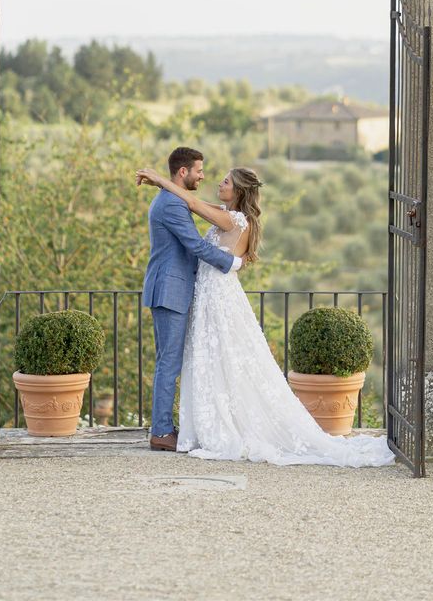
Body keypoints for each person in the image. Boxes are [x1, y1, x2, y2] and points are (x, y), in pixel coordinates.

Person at [137, 162, 396, 468]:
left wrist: (157, 178)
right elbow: (196, 203)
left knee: (224, 358)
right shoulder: (230, 214)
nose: (218, 184)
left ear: (237, 192)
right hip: (209, 293)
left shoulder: (233, 218)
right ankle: (202, 423)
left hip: (217, 293)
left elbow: (192, 203)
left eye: (225, 182)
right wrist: (165, 186)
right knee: (214, 358)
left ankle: (217, 425)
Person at [140, 146, 243, 452]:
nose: (203, 175)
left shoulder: (174, 198)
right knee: (168, 363)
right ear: (183, 172)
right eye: (199, 170)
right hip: (170, 290)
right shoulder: (172, 204)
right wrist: (231, 263)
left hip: (172, 288)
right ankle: (160, 431)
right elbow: (196, 245)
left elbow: (203, 212)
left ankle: (166, 426)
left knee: (169, 362)